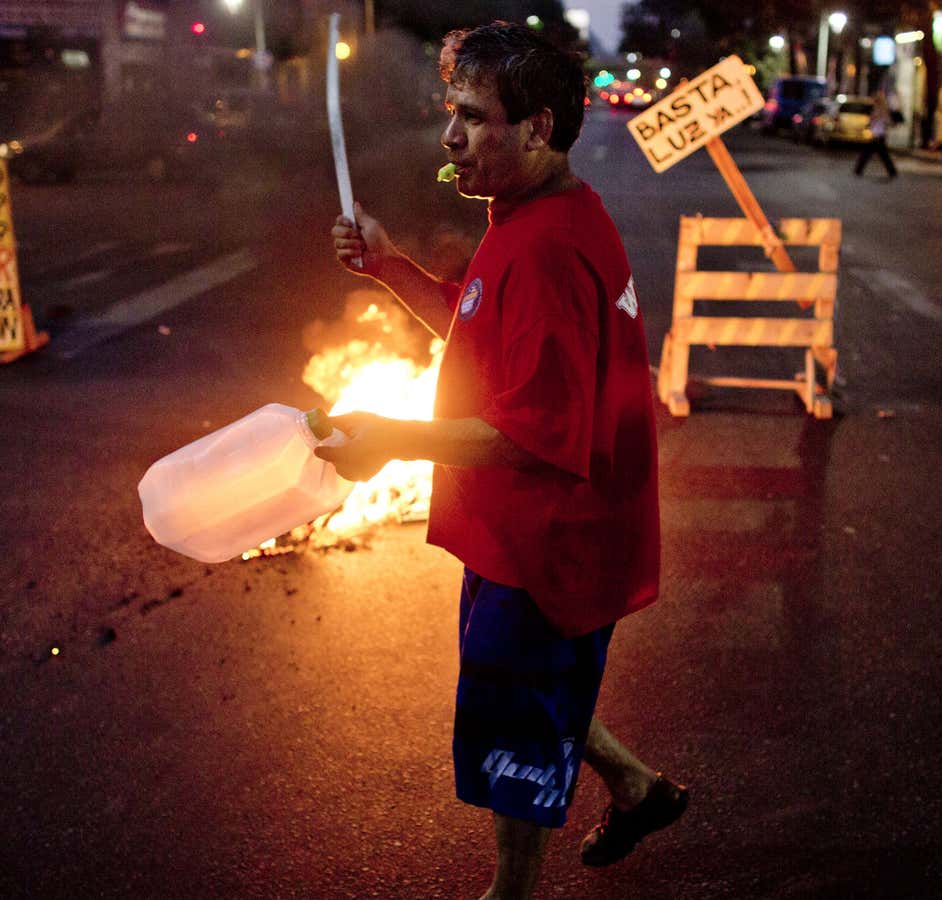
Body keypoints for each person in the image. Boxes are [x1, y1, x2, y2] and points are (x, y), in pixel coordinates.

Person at [322, 22, 686, 899]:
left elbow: (534, 433)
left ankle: (509, 896)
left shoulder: (550, 247)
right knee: (522, 688)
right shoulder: (531, 216)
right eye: (451, 113)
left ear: (538, 128)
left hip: (551, 546)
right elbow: (487, 341)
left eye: (473, 118)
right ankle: (636, 787)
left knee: (515, 721)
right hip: (527, 538)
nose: (451, 138)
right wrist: (389, 267)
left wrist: (388, 439)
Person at [854, 94, 897, 179]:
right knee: (870, 154)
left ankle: (892, 172)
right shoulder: (875, 110)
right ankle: (858, 170)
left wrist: (882, 116)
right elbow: (870, 121)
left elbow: (889, 123)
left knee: (880, 155)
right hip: (874, 135)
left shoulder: (883, 111)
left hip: (879, 136)